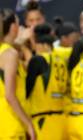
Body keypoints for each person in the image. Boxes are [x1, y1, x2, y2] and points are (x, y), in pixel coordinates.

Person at [26, 23, 68, 140]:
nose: (35, 49)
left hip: (44, 119)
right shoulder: (62, 61)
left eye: (37, 45)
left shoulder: (39, 59)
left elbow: (26, 90)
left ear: (45, 45)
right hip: (62, 120)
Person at [0, 9, 36, 140]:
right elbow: (9, 95)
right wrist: (29, 124)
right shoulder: (10, 54)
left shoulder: (9, 51)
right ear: (14, 27)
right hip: (11, 125)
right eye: (18, 23)